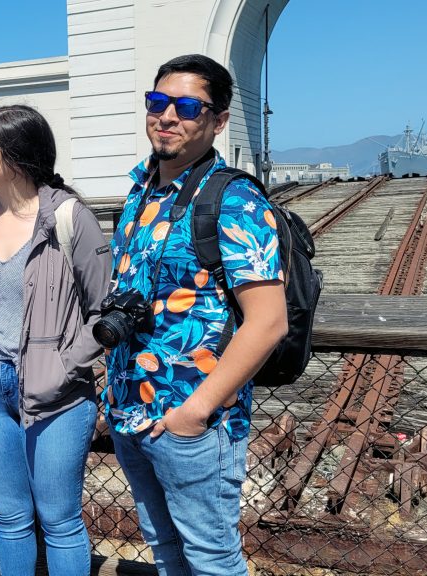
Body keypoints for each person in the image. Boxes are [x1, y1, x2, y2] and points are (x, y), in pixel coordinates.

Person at [102, 54, 288, 575]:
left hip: (194, 421)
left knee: (211, 559)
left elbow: (269, 320)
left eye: (187, 106)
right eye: (157, 102)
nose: (167, 117)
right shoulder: (141, 191)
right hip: (131, 412)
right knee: (166, 554)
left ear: (218, 121)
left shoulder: (234, 199)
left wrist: (196, 412)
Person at [0, 104, 111, 575]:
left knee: (59, 521)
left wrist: (65, 365)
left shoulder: (69, 219)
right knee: (10, 518)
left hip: (57, 393)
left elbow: (101, 308)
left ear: (15, 154)